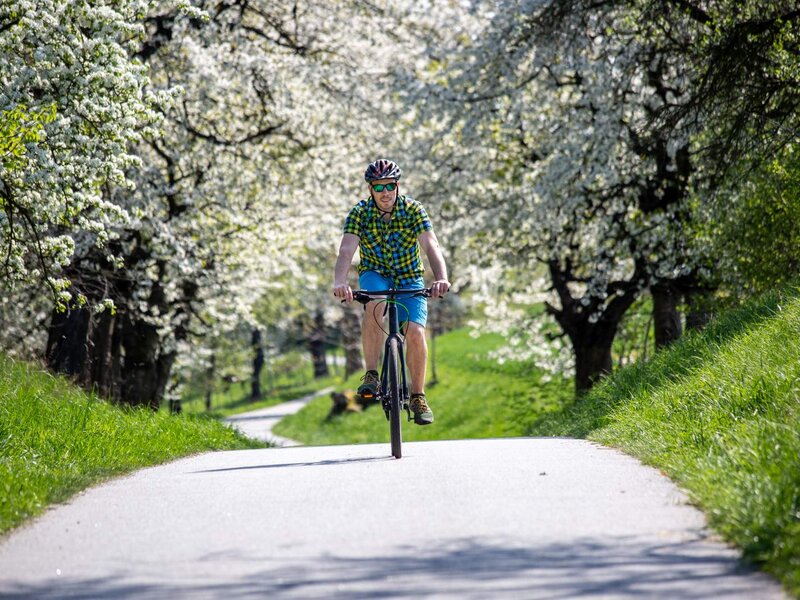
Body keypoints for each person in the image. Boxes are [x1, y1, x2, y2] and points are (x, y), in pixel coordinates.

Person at [332, 159, 450, 425]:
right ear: (370, 189)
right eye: (378, 187)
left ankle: (418, 396)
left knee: (416, 333)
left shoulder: (413, 210)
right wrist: (340, 281)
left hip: (410, 278)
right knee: (375, 305)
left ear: (397, 186)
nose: (385, 192)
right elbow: (346, 251)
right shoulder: (359, 213)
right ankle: (372, 374)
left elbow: (431, 246)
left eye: (389, 186)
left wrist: (441, 277)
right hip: (375, 273)